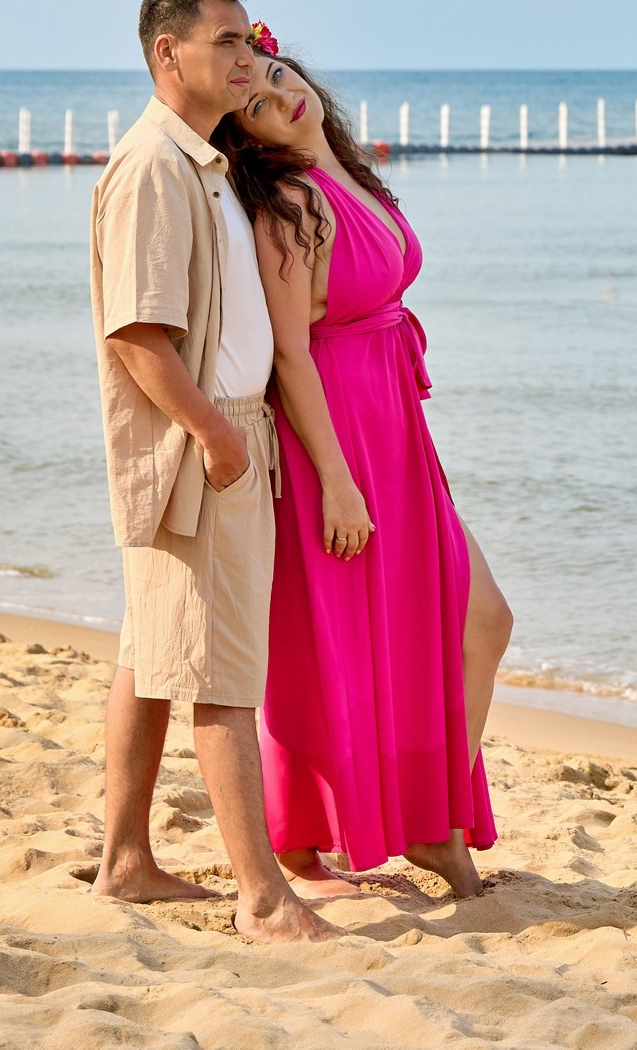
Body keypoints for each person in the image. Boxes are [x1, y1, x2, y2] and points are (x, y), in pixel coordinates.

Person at [217, 44, 513, 899]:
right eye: (259, 106)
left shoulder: (347, 172)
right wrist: (337, 480)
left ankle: (428, 818)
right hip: (338, 435)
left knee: (471, 621)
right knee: (354, 642)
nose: (283, 99)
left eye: (281, 78)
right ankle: (418, 826)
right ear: (249, 140)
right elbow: (291, 355)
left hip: (396, 423)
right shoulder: (287, 206)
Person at [87, 0, 336, 943]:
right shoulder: (153, 165)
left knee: (150, 659)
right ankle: (265, 897)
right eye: (227, 42)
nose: (248, 57)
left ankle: (125, 861)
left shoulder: (203, 161)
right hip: (204, 444)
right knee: (223, 677)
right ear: (168, 53)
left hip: (221, 436)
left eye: (251, 40)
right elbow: (137, 335)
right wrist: (220, 435)